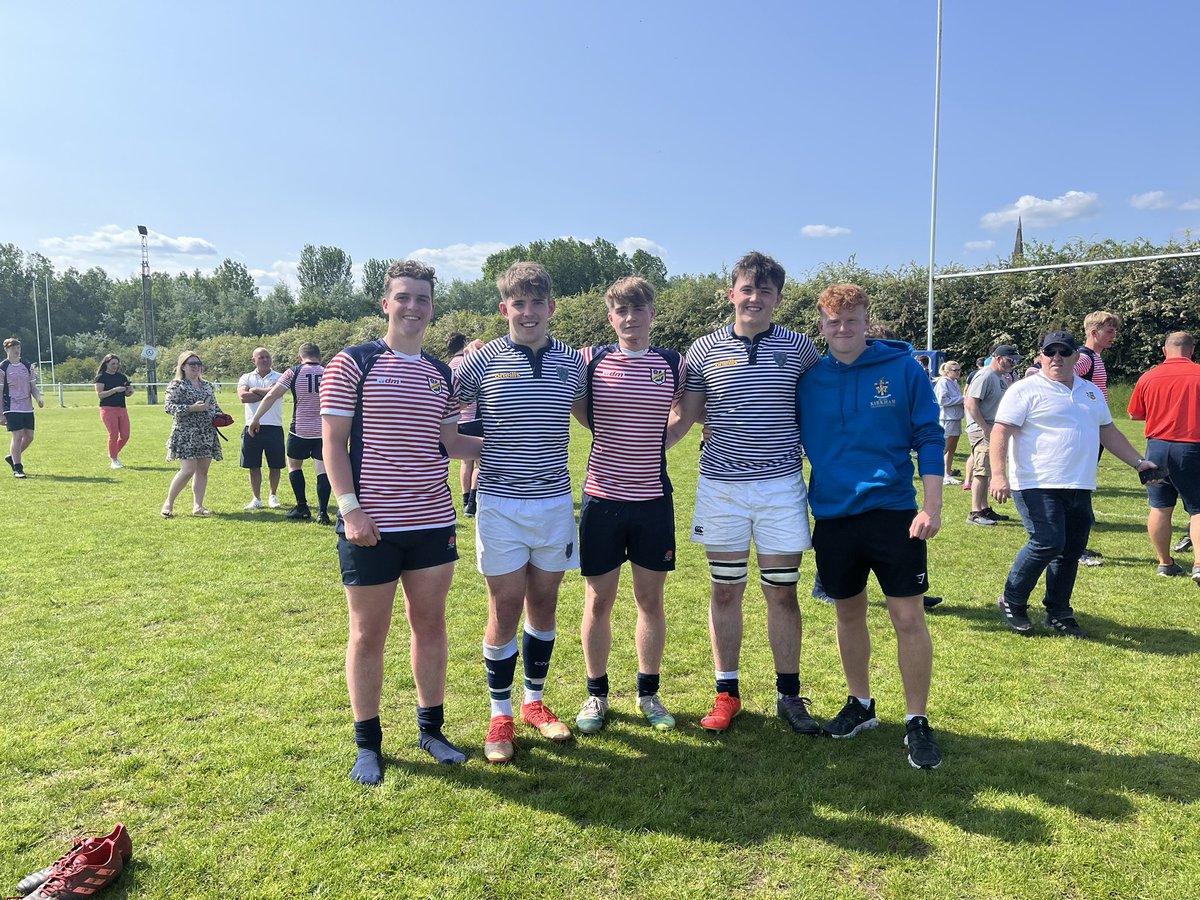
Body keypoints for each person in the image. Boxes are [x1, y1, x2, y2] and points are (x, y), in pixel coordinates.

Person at [321, 260, 482, 784]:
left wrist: (516, 433)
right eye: (404, 297)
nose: (413, 307)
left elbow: (453, 443)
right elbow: (333, 445)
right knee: (368, 634)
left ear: (432, 308)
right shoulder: (353, 363)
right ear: (385, 304)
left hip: (433, 519)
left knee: (430, 625)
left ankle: (431, 730)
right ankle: (367, 742)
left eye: (423, 299)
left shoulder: (442, 374)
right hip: (371, 526)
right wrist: (350, 509)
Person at [668, 251, 822, 736]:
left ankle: (789, 694)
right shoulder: (702, 349)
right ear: (731, 292)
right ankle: (726, 693)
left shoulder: (800, 348)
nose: (755, 298)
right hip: (722, 490)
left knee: (782, 593)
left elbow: (826, 407)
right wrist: (630, 444)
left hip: (780, 489)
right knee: (726, 589)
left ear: (778, 299)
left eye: (766, 291)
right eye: (747, 289)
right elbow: (684, 418)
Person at [797, 283, 945, 769]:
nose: (843, 330)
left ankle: (916, 720)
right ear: (821, 325)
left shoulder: (903, 368)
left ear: (866, 322)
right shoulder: (808, 375)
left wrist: (932, 506)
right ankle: (860, 703)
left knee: (908, 618)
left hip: (894, 513)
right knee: (848, 615)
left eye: (852, 321)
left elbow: (929, 434)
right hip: (835, 516)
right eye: (833, 322)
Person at [453, 261, 586, 763]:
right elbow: (441, 409)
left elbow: (595, 412)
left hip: (555, 503)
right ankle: (500, 712)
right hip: (500, 505)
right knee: (505, 607)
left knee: (545, 606)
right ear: (504, 307)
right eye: (518, 304)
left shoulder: (573, 362)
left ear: (551, 308)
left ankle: (534, 702)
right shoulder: (479, 362)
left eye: (537, 303)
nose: (528, 313)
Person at [990, 331, 1158, 638]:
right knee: (1047, 541)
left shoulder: (1090, 392)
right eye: (1049, 352)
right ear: (1040, 356)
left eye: (1063, 352)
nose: (1056, 358)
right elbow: (1000, 432)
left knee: (1070, 549)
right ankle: (1012, 599)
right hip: (1035, 482)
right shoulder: (1024, 390)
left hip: (1080, 483)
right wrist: (998, 475)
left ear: (1075, 357)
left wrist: (1138, 461)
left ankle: (1058, 612)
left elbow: (1108, 432)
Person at [572, 276, 683, 735]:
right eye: (621, 311)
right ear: (611, 316)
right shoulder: (591, 360)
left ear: (652, 314)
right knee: (598, 600)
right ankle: (596, 694)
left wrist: (662, 441)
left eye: (638, 310)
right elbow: (580, 407)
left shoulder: (673, 363)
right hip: (601, 498)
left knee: (649, 601)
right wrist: (606, 434)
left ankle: (648, 692)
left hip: (653, 500)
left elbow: (689, 410)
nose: (630, 319)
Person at [1127, 332, 1200, 582]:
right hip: (1192, 446)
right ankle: (1199, 564)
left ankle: (1165, 562)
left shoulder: (1149, 377)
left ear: (1164, 350)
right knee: (1198, 509)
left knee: (1159, 507)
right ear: (1191, 350)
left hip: (1157, 447)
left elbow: (1135, 414)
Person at [249, 342, 331, 524]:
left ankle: (302, 506)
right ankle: (323, 513)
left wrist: (256, 418)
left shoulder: (293, 372)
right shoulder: (329, 371)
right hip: (323, 429)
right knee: (322, 471)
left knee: (295, 467)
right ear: (320, 356)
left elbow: (271, 395)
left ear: (300, 357)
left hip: (300, 429)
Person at [1075, 310, 1123, 567]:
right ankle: (1074, 549)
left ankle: (1078, 545)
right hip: (1084, 432)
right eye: (1109, 331)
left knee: (1083, 487)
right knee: (1076, 489)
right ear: (1094, 333)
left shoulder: (1094, 357)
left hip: (1094, 430)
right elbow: (1043, 372)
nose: (1113, 335)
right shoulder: (1084, 357)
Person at [162, 351, 225, 518]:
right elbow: (168, 407)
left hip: (206, 433)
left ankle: (198, 506)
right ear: (183, 366)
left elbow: (213, 406)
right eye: (192, 364)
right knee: (188, 470)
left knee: (202, 471)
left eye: (198, 364)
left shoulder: (207, 385)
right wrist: (191, 408)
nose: (196, 367)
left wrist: (220, 416)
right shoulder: (177, 385)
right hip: (185, 433)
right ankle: (169, 503)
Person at [963, 345, 1020, 525]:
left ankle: (984, 509)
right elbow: (970, 403)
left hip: (991, 427)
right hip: (982, 428)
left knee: (987, 468)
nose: (1013, 364)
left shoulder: (1000, 377)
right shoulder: (985, 375)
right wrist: (985, 428)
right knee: (981, 470)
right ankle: (974, 513)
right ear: (997, 357)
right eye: (1010, 360)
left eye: (1015, 361)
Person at [236, 348, 284, 511]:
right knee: (253, 464)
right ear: (253, 360)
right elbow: (243, 397)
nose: (265, 360)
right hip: (251, 426)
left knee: (275, 464)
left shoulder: (279, 377)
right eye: (261, 357)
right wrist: (268, 392)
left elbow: (277, 394)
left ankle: (273, 495)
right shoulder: (246, 377)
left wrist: (255, 390)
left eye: (267, 357)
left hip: (274, 426)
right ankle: (256, 498)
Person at [446, 332, 483, 517]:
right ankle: (472, 504)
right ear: (465, 343)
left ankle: (464, 499)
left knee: (465, 462)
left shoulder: (448, 366)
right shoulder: (472, 361)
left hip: (458, 421)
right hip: (476, 419)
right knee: (480, 464)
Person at [1, 337, 44, 479]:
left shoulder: (26, 365)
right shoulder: (3, 367)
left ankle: (12, 457)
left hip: (27, 407)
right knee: (17, 436)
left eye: (18, 348)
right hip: (11, 406)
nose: (17, 350)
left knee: (30, 437)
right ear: (6, 349)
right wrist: (1, 412)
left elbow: (33, 387)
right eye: (13, 348)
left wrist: (38, 398)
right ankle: (18, 469)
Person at [94, 354, 134, 468]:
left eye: (117, 364)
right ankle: (114, 460)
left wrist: (129, 391)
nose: (115, 366)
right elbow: (100, 395)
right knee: (113, 434)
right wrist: (115, 390)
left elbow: (127, 393)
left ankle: (113, 453)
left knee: (125, 435)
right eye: (113, 364)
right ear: (106, 364)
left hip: (122, 408)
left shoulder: (122, 377)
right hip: (107, 409)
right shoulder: (101, 377)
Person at [934, 360, 964, 485]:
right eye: (954, 370)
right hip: (947, 418)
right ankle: (939, 474)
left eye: (959, 370)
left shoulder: (954, 383)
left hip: (955, 417)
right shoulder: (943, 382)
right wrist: (962, 399)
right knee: (945, 447)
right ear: (946, 372)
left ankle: (947, 473)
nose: (958, 372)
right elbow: (942, 401)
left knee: (952, 448)